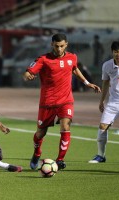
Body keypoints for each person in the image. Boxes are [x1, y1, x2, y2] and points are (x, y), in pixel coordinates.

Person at [22, 33, 101, 170]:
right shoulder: (43, 59)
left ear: (66, 45)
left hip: (66, 100)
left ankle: (60, 160)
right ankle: (37, 153)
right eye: (57, 46)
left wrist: (87, 83)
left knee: (65, 127)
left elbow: (75, 69)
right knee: (40, 133)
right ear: (52, 44)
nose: (59, 49)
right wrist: (28, 76)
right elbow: (28, 72)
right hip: (47, 102)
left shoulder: (72, 57)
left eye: (62, 46)